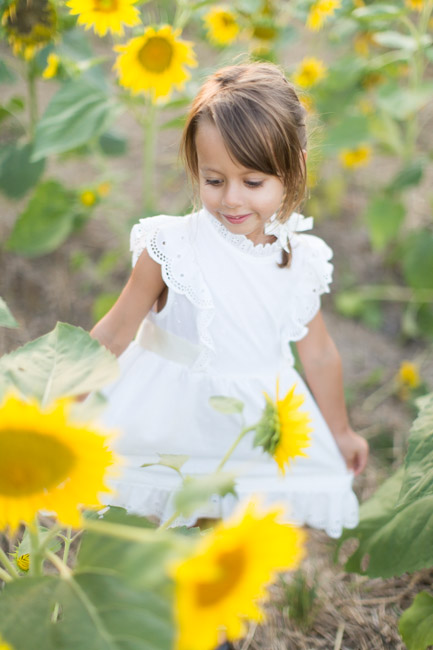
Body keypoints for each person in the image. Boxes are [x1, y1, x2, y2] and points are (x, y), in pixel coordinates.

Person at [91, 61, 369, 540]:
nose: (232, 200)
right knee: (153, 525)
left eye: (253, 182)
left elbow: (319, 354)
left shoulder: (299, 259)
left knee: (223, 527)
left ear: (294, 169)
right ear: (195, 168)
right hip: (166, 415)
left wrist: (340, 430)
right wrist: (56, 398)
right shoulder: (172, 245)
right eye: (214, 180)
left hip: (251, 426)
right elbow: (114, 331)